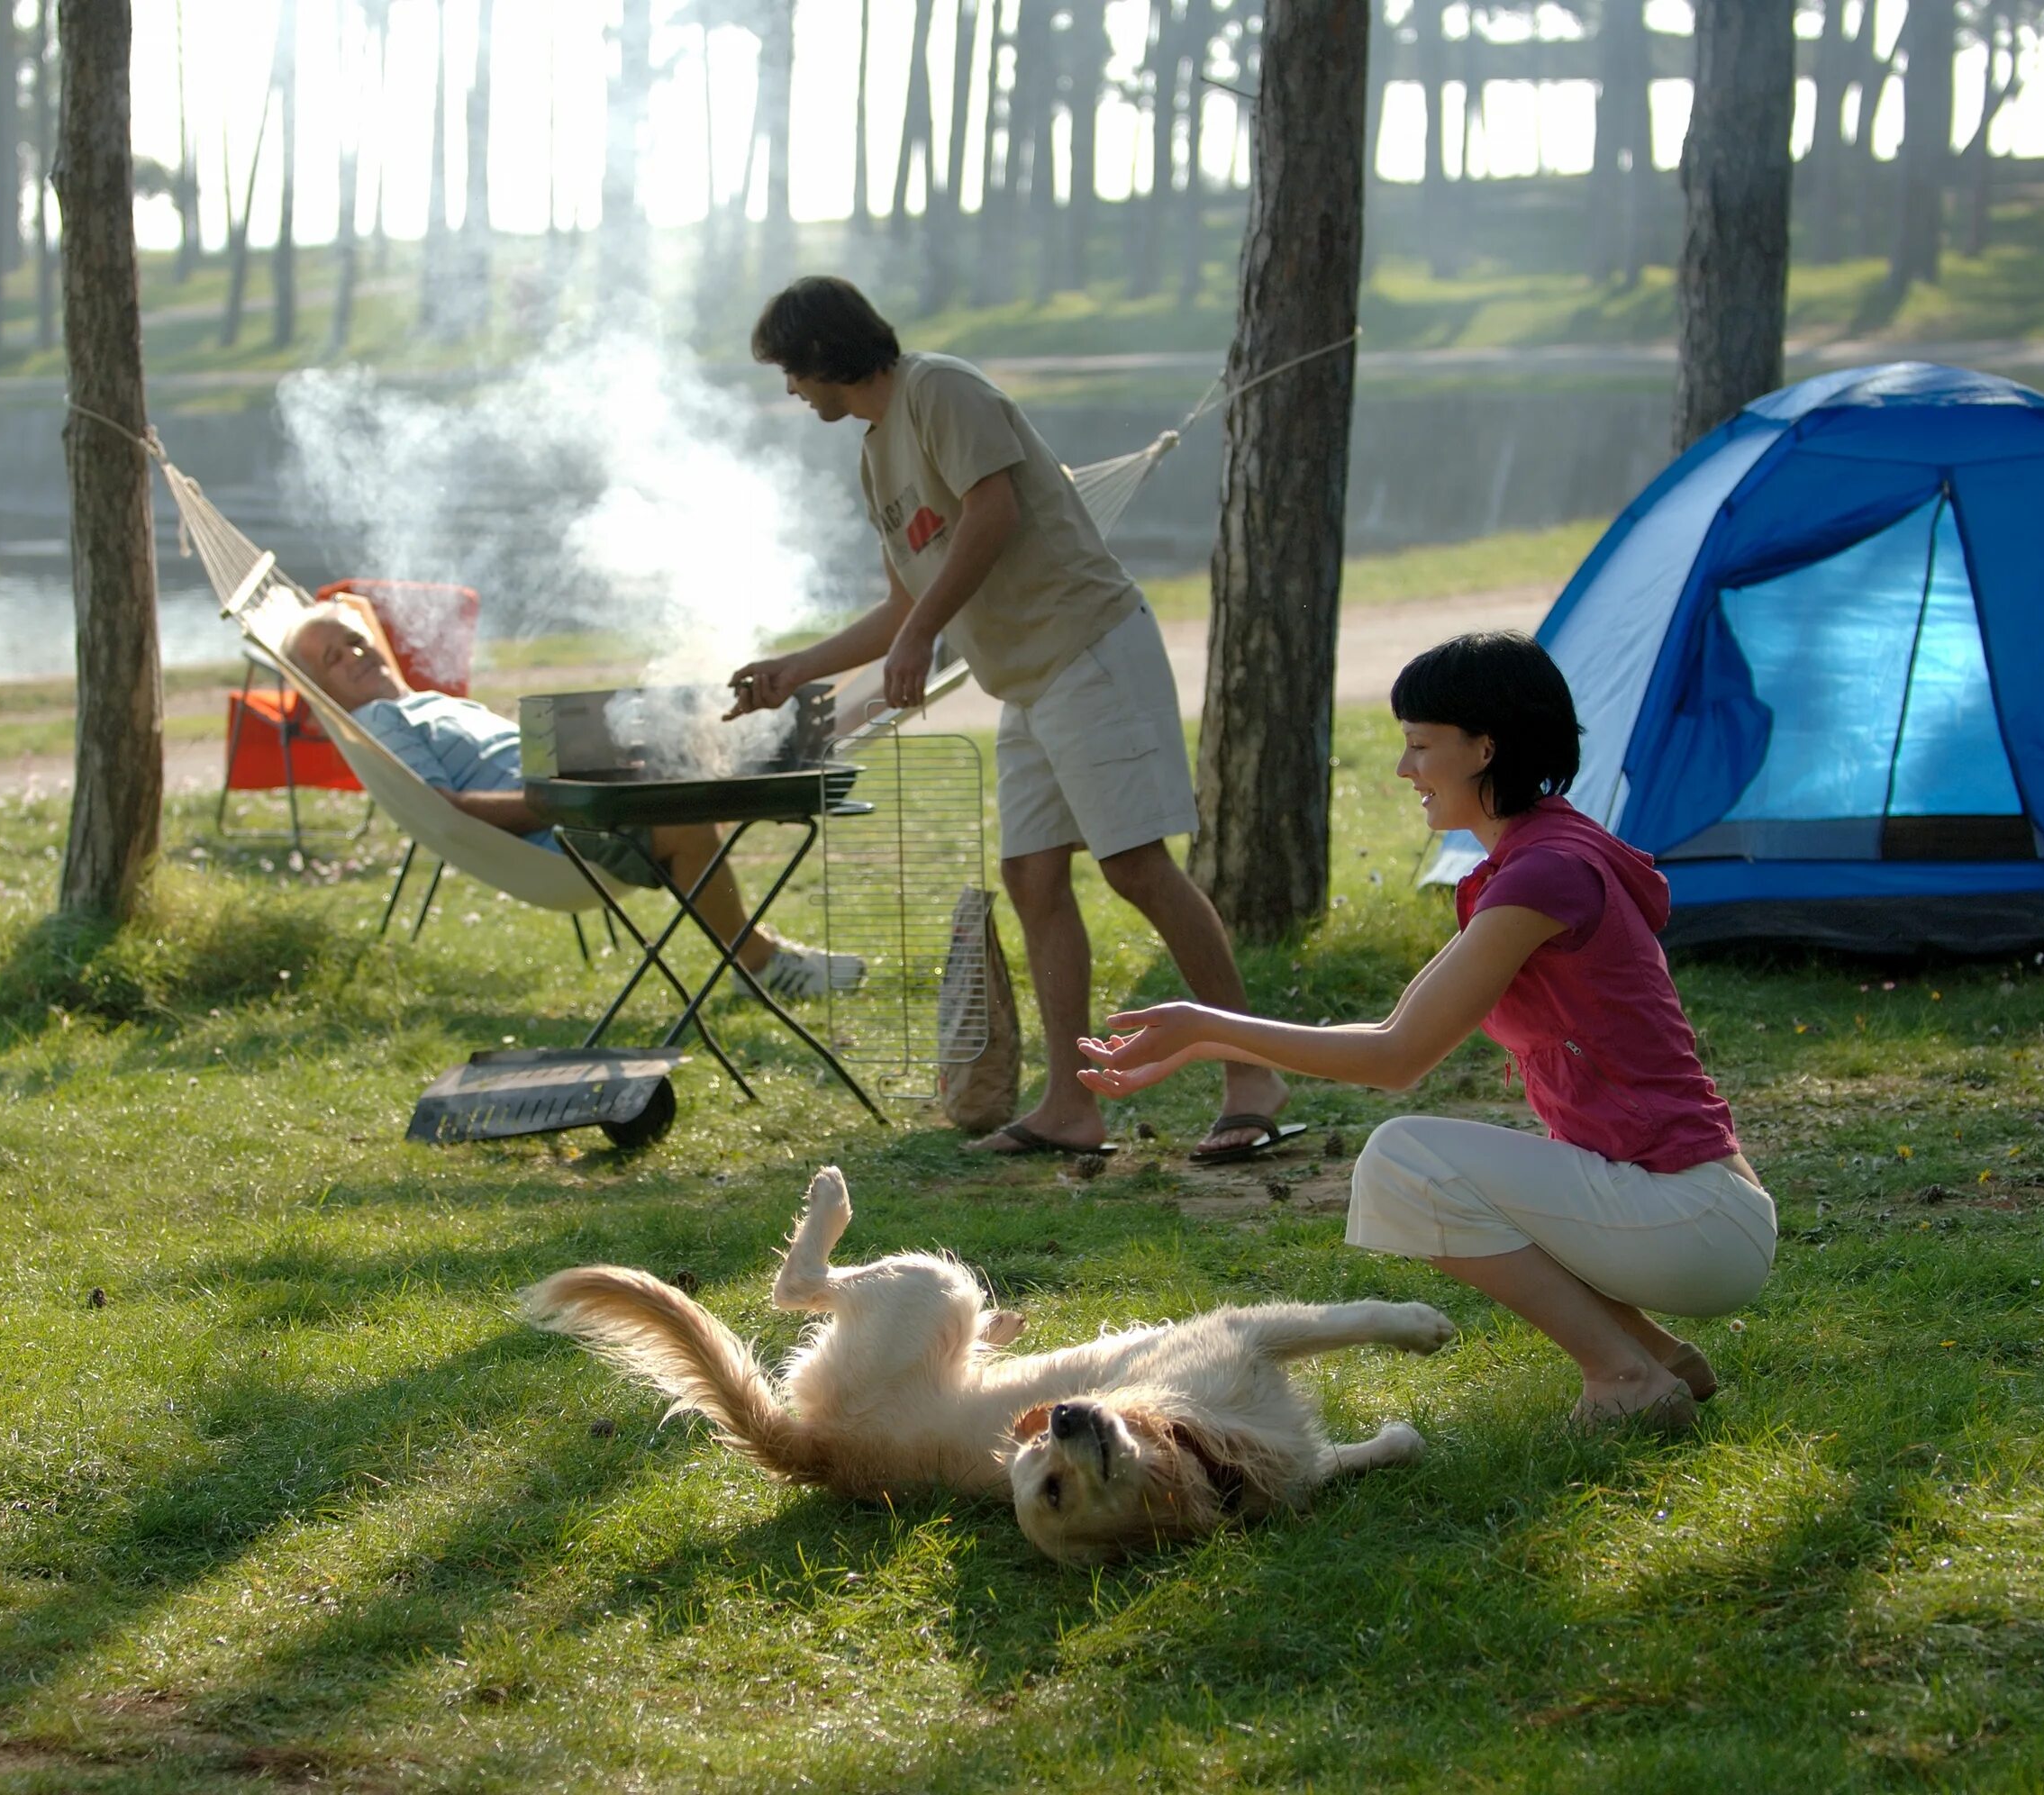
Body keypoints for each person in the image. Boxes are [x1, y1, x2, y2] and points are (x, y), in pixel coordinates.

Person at [1078, 633, 1776, 1433]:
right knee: (1426, 1166)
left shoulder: (1545, 873)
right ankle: (1656, 1354)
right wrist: (1204, 1041)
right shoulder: (1540, 854)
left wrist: (1205, 1020)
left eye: (1419, 745)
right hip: (1694, 1211)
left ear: (1486, 747)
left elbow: (1397, 1059)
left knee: (1406, 1161)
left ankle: (1624, 1375)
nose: (1405, 770)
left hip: (1694, 1221)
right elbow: (1391, 1027)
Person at [729, 275, 1292, 1164]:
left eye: (793, 373)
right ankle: (1071, 1103)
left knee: (1138, 867)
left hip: (1088, 644)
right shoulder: (877, 454)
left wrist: (920, 633)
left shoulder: (939, 390)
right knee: (1032, 877)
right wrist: (796, 670)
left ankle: (1253, 1072)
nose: (792, 392)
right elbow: (899, 604)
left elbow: (997, 511)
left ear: (825, 355)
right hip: (1027, 680)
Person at [282, 603, 863, 1001]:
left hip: (577, 791)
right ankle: (759, 964)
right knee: (687, 818)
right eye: (334, 658)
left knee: (688, 741)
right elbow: (445, 807)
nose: (355, 654)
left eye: (355, 640)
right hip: (563, 827)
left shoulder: (424, 702)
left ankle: (802, 754)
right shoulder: (380, 720)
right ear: (321, 693)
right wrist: (558, 802)